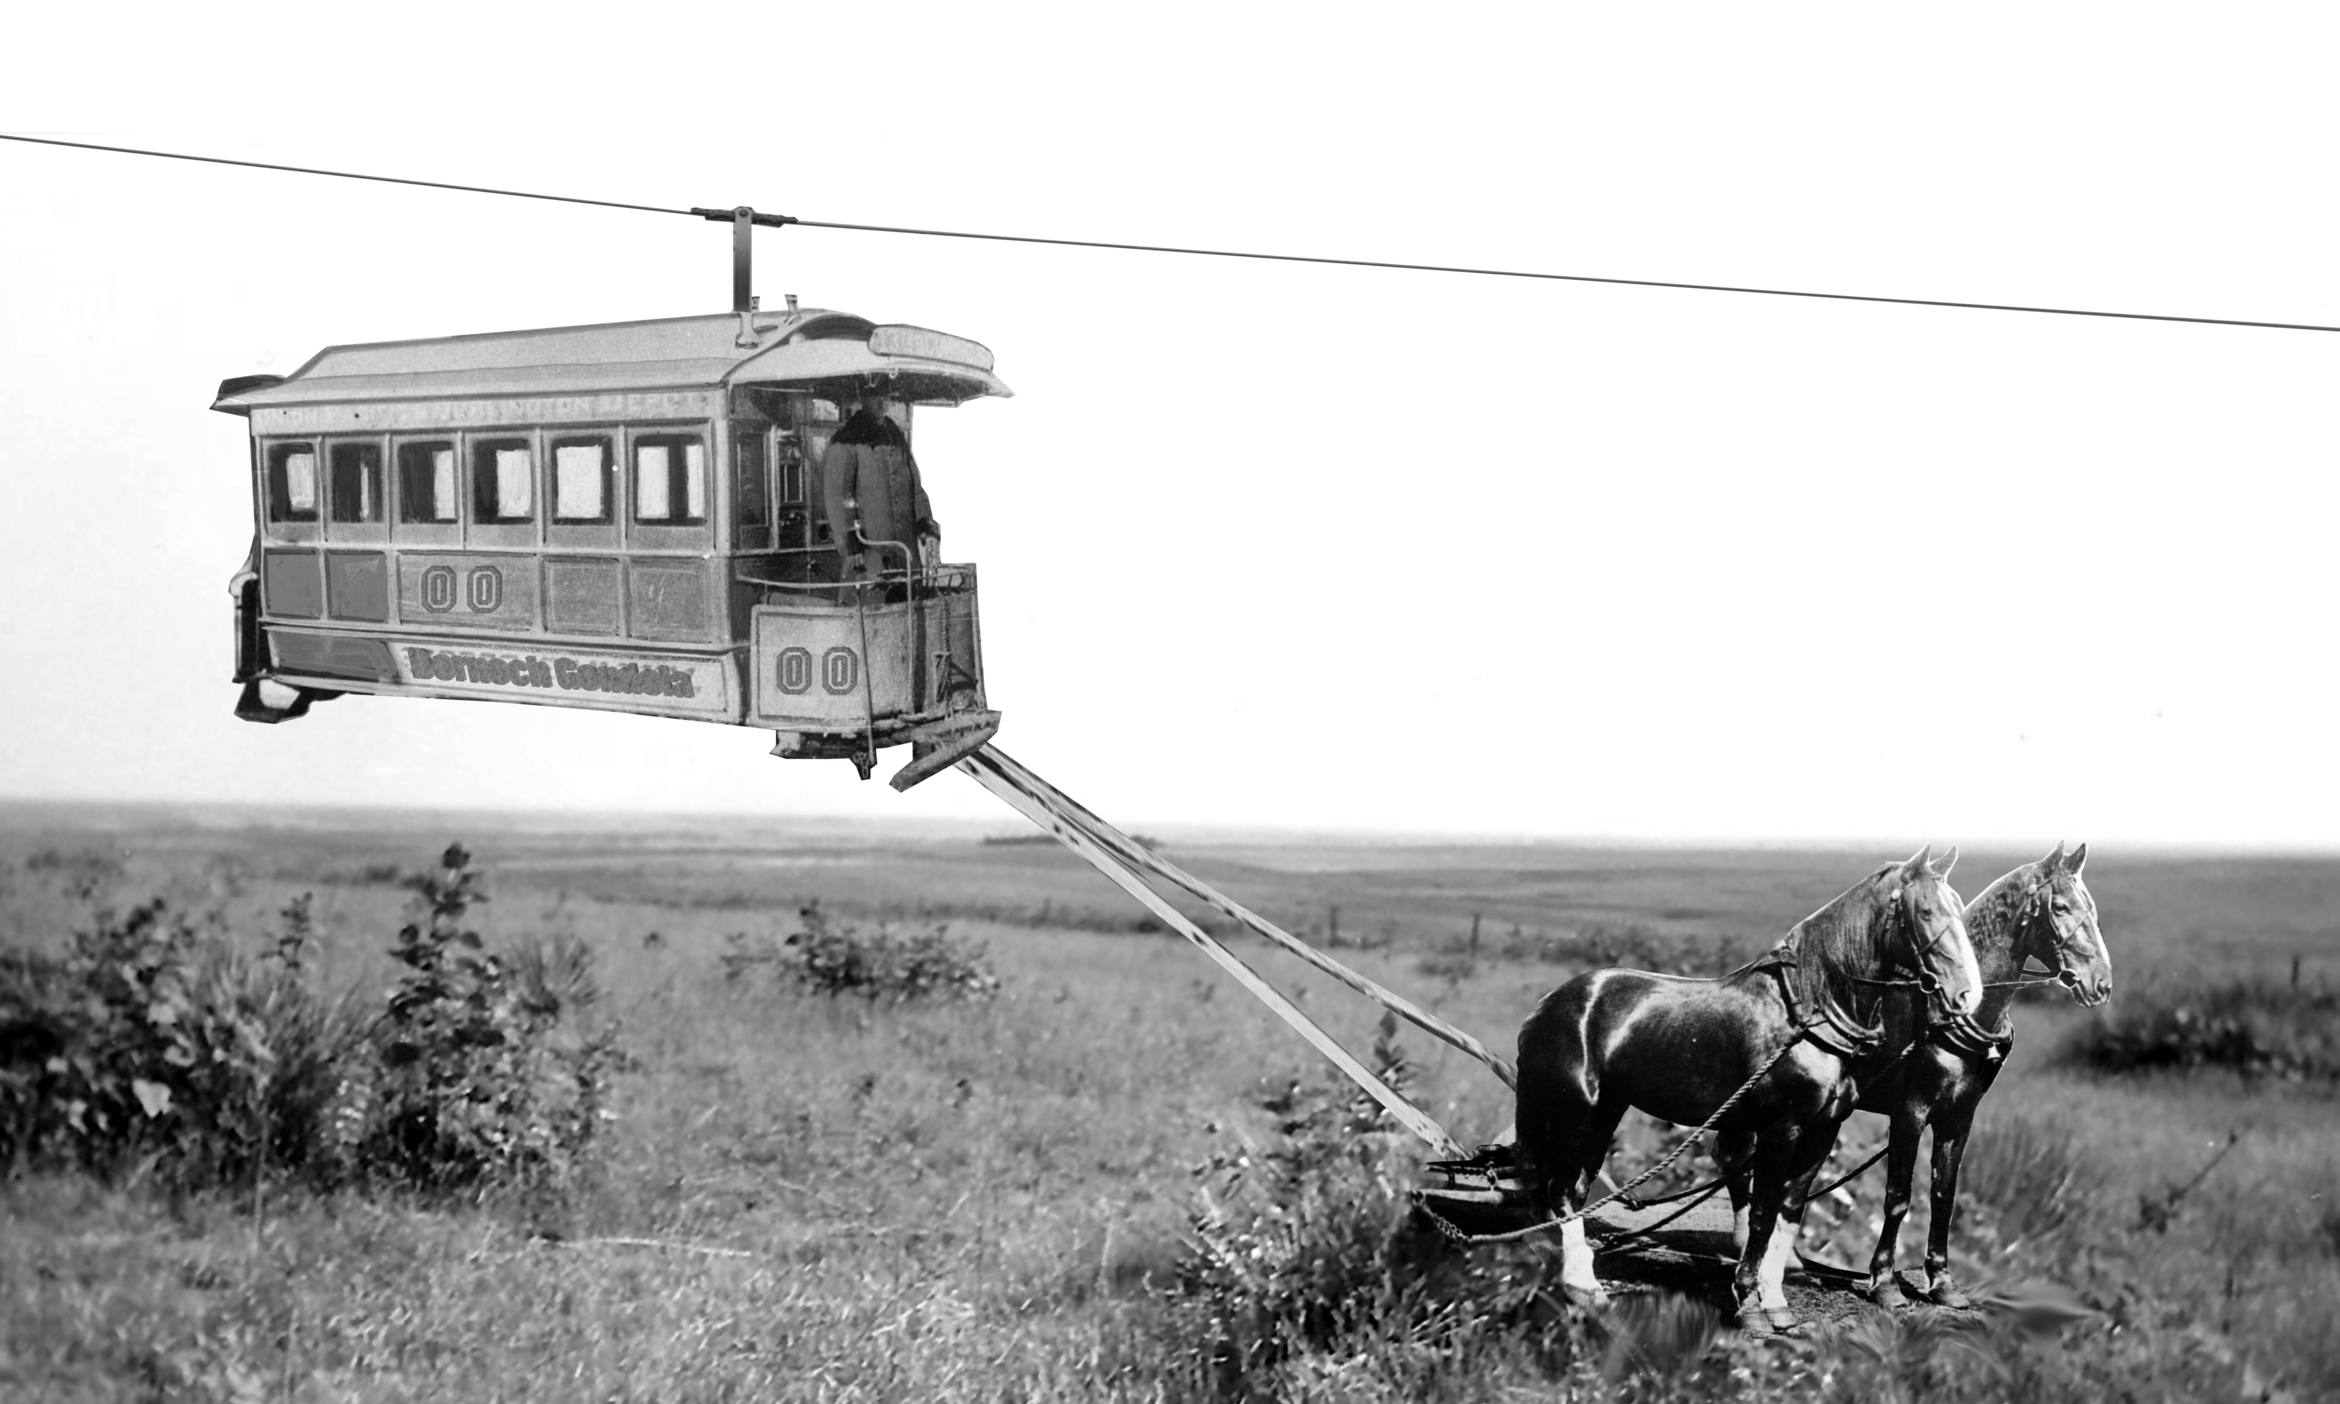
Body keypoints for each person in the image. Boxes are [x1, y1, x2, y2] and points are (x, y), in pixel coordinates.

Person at [819, 392, 938, 591]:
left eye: (887, 397)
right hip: (869, 557)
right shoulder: (846, 439)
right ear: (863, 399)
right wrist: (851, 545)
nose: (882, 402)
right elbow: (837, 496)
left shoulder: (896, 437)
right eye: (875, 397)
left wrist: (927, 525)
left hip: (906, 556)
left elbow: (916, 489)